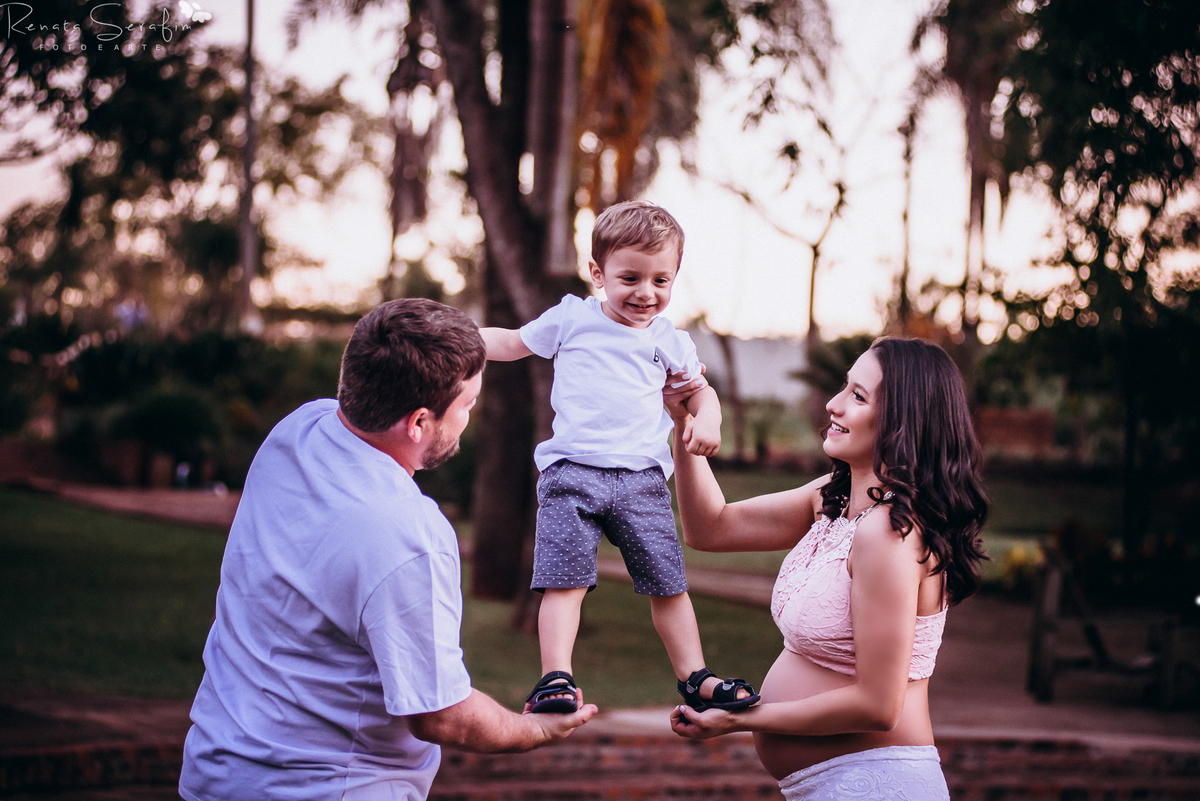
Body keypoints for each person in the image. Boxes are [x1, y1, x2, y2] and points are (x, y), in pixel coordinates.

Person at [180, 299, 596, 801]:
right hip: (328, 789)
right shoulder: (408, 535)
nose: (469, 418)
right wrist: (534, 730)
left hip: (215, 772)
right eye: (467, 405)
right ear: (419, 422)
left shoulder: (296, 433)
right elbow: (441, 716)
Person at [665, 336, 988, 801]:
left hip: (876, 784)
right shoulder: (832, 499)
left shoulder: (889, 534)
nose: (834, 405)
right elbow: (710, 529)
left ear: (903, 422)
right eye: (845, 387)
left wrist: (741, 719)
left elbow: (879, 706)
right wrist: (684, 424)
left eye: (858, 396)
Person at [481, 200, 759, 716]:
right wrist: (459, 342)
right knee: (564, 582)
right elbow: (515, 343)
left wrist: (709, 417)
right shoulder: (572, 318)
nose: (646, 293)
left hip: (642, 482)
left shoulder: (668, 341)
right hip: (572, 474)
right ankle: (554, 678)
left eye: (661, 281)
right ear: (597, 273)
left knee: (669, 584)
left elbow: (700, 393)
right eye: (630, 277)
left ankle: (694, 676)